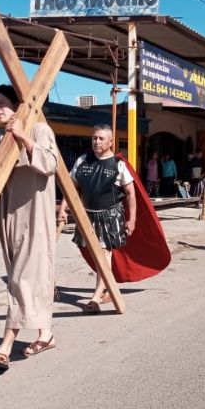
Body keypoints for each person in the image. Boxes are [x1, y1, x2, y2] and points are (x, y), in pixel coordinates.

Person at [0, 84, 59, 370]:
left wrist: (24, 138)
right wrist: (7, 142)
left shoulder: (39, 130)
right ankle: (45, 333)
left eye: (2, 103)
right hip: (8, 216)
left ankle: (5, 346)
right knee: (25, 275)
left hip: (35, 216)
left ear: (18, 106)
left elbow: (50, 163)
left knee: (20, 279)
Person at [58, 124, 137, 313]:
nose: (96, 141)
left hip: (110, 215)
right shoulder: (83, 160)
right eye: (94, 138)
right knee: (95, 254)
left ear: (111, 141)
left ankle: (96, 297)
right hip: (87, 215)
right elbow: (71, 187)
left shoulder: (118, 164)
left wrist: (132, 219)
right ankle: (107, 288)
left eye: (101, 138)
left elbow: (131, 194)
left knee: (103, 253)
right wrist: (62, 209)